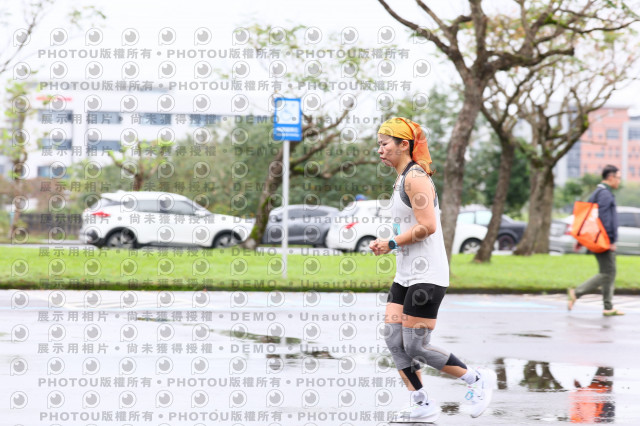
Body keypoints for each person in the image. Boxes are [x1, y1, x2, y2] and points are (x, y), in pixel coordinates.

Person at [370, 117, 496, 423]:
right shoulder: (401, 178)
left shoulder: (416, 178)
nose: (380, 150)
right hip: (406, 275)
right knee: (393, 338)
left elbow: (428, 226)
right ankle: (421, 402)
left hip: (428, 276)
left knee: (416, 345)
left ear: (404, 145)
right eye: (378, 145)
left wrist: (391, 242)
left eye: (384, 144)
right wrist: (391, 243)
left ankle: (477, 379)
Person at [567, 165, 624, 316]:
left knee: (608, 272)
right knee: (607, 273)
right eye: (618, 178)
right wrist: (610, 239)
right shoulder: (605, 194)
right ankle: (576, 293)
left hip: (598, 238)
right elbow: (604, 218)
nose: (619, 181)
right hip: (603, 240)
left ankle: (608, 307)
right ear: (610, 177)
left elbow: (588, 219)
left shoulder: (597, 193)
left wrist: (581, 241)